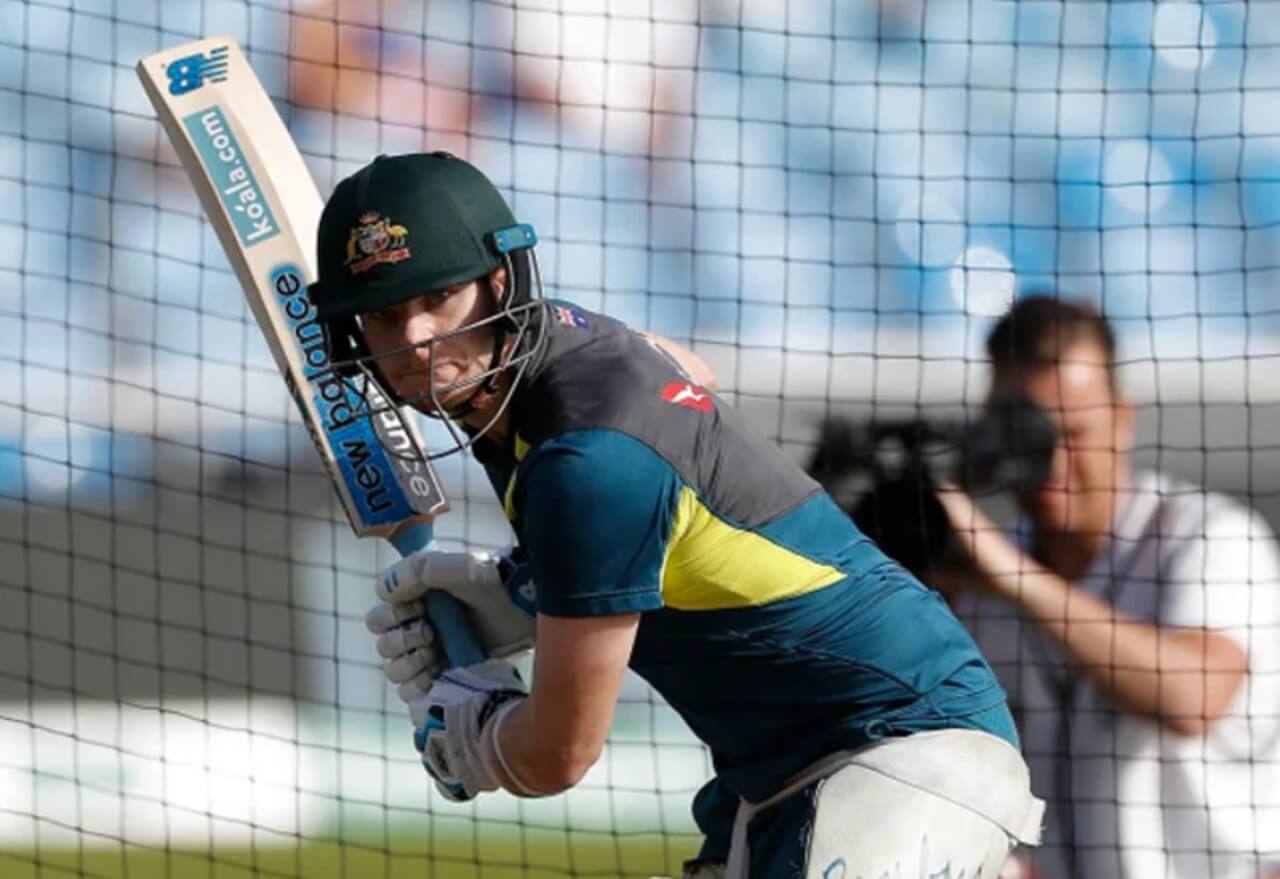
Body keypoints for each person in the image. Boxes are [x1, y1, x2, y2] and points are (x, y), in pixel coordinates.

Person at [307, 151, 1043, 878]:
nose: (414, 339)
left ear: (499, 284)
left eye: (438, 297)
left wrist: (476, 733)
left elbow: (560, 754)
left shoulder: (585, 461)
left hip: (907, 752)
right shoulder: (564, 350)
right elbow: (687, 372)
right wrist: (527, 594)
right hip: (784, 774)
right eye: (383, 315)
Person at [934, 296, 1280, 879]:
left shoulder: (1210, 535)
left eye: (1073, 433)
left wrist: (1015, 581)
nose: (1054, 463)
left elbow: (1192, 698)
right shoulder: (977, 574)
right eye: (1030, 439)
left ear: (1122, 418)